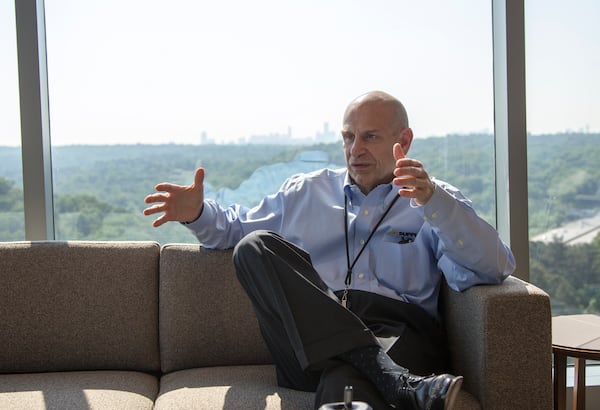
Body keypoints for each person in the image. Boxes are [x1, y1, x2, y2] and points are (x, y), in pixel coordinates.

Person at [143, 91, 515, 409]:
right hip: (307, 342)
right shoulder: (307, 191)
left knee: (345, 383)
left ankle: (376, 369)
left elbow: (494, 268)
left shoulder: (433, 200)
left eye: (370, 137)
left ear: (405, 139)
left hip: (399, 334)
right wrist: (197, 214)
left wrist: (436, 203)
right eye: (348, 137)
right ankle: (398, 382)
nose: (356, 150)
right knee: (253, 247)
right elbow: (233, 229)